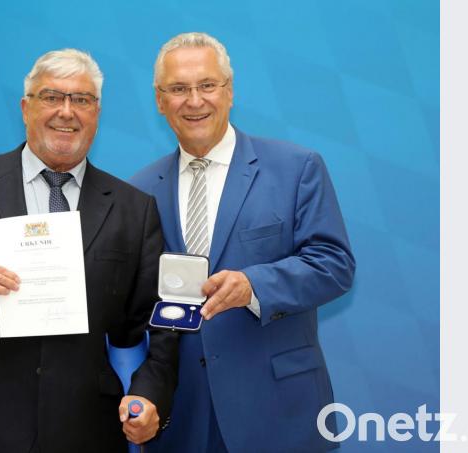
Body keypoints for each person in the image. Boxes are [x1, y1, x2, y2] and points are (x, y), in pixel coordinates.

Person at [0, 49, 178, 453]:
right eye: (51, 97)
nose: (66, 111)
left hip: (85, 427)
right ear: (26, 108)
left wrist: (151, 396)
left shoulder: (133, 208)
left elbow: (154, 320)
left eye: (81, 100)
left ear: (97, 113)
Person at [130, 33, 356, 452]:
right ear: (159, 101)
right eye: (178, 89)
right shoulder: (139, 191)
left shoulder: (296, 167)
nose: (194, 100)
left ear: (229, 92)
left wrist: (255, 286)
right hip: (182, 418)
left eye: (207, 85)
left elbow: (334, 264)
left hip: (277, 412)